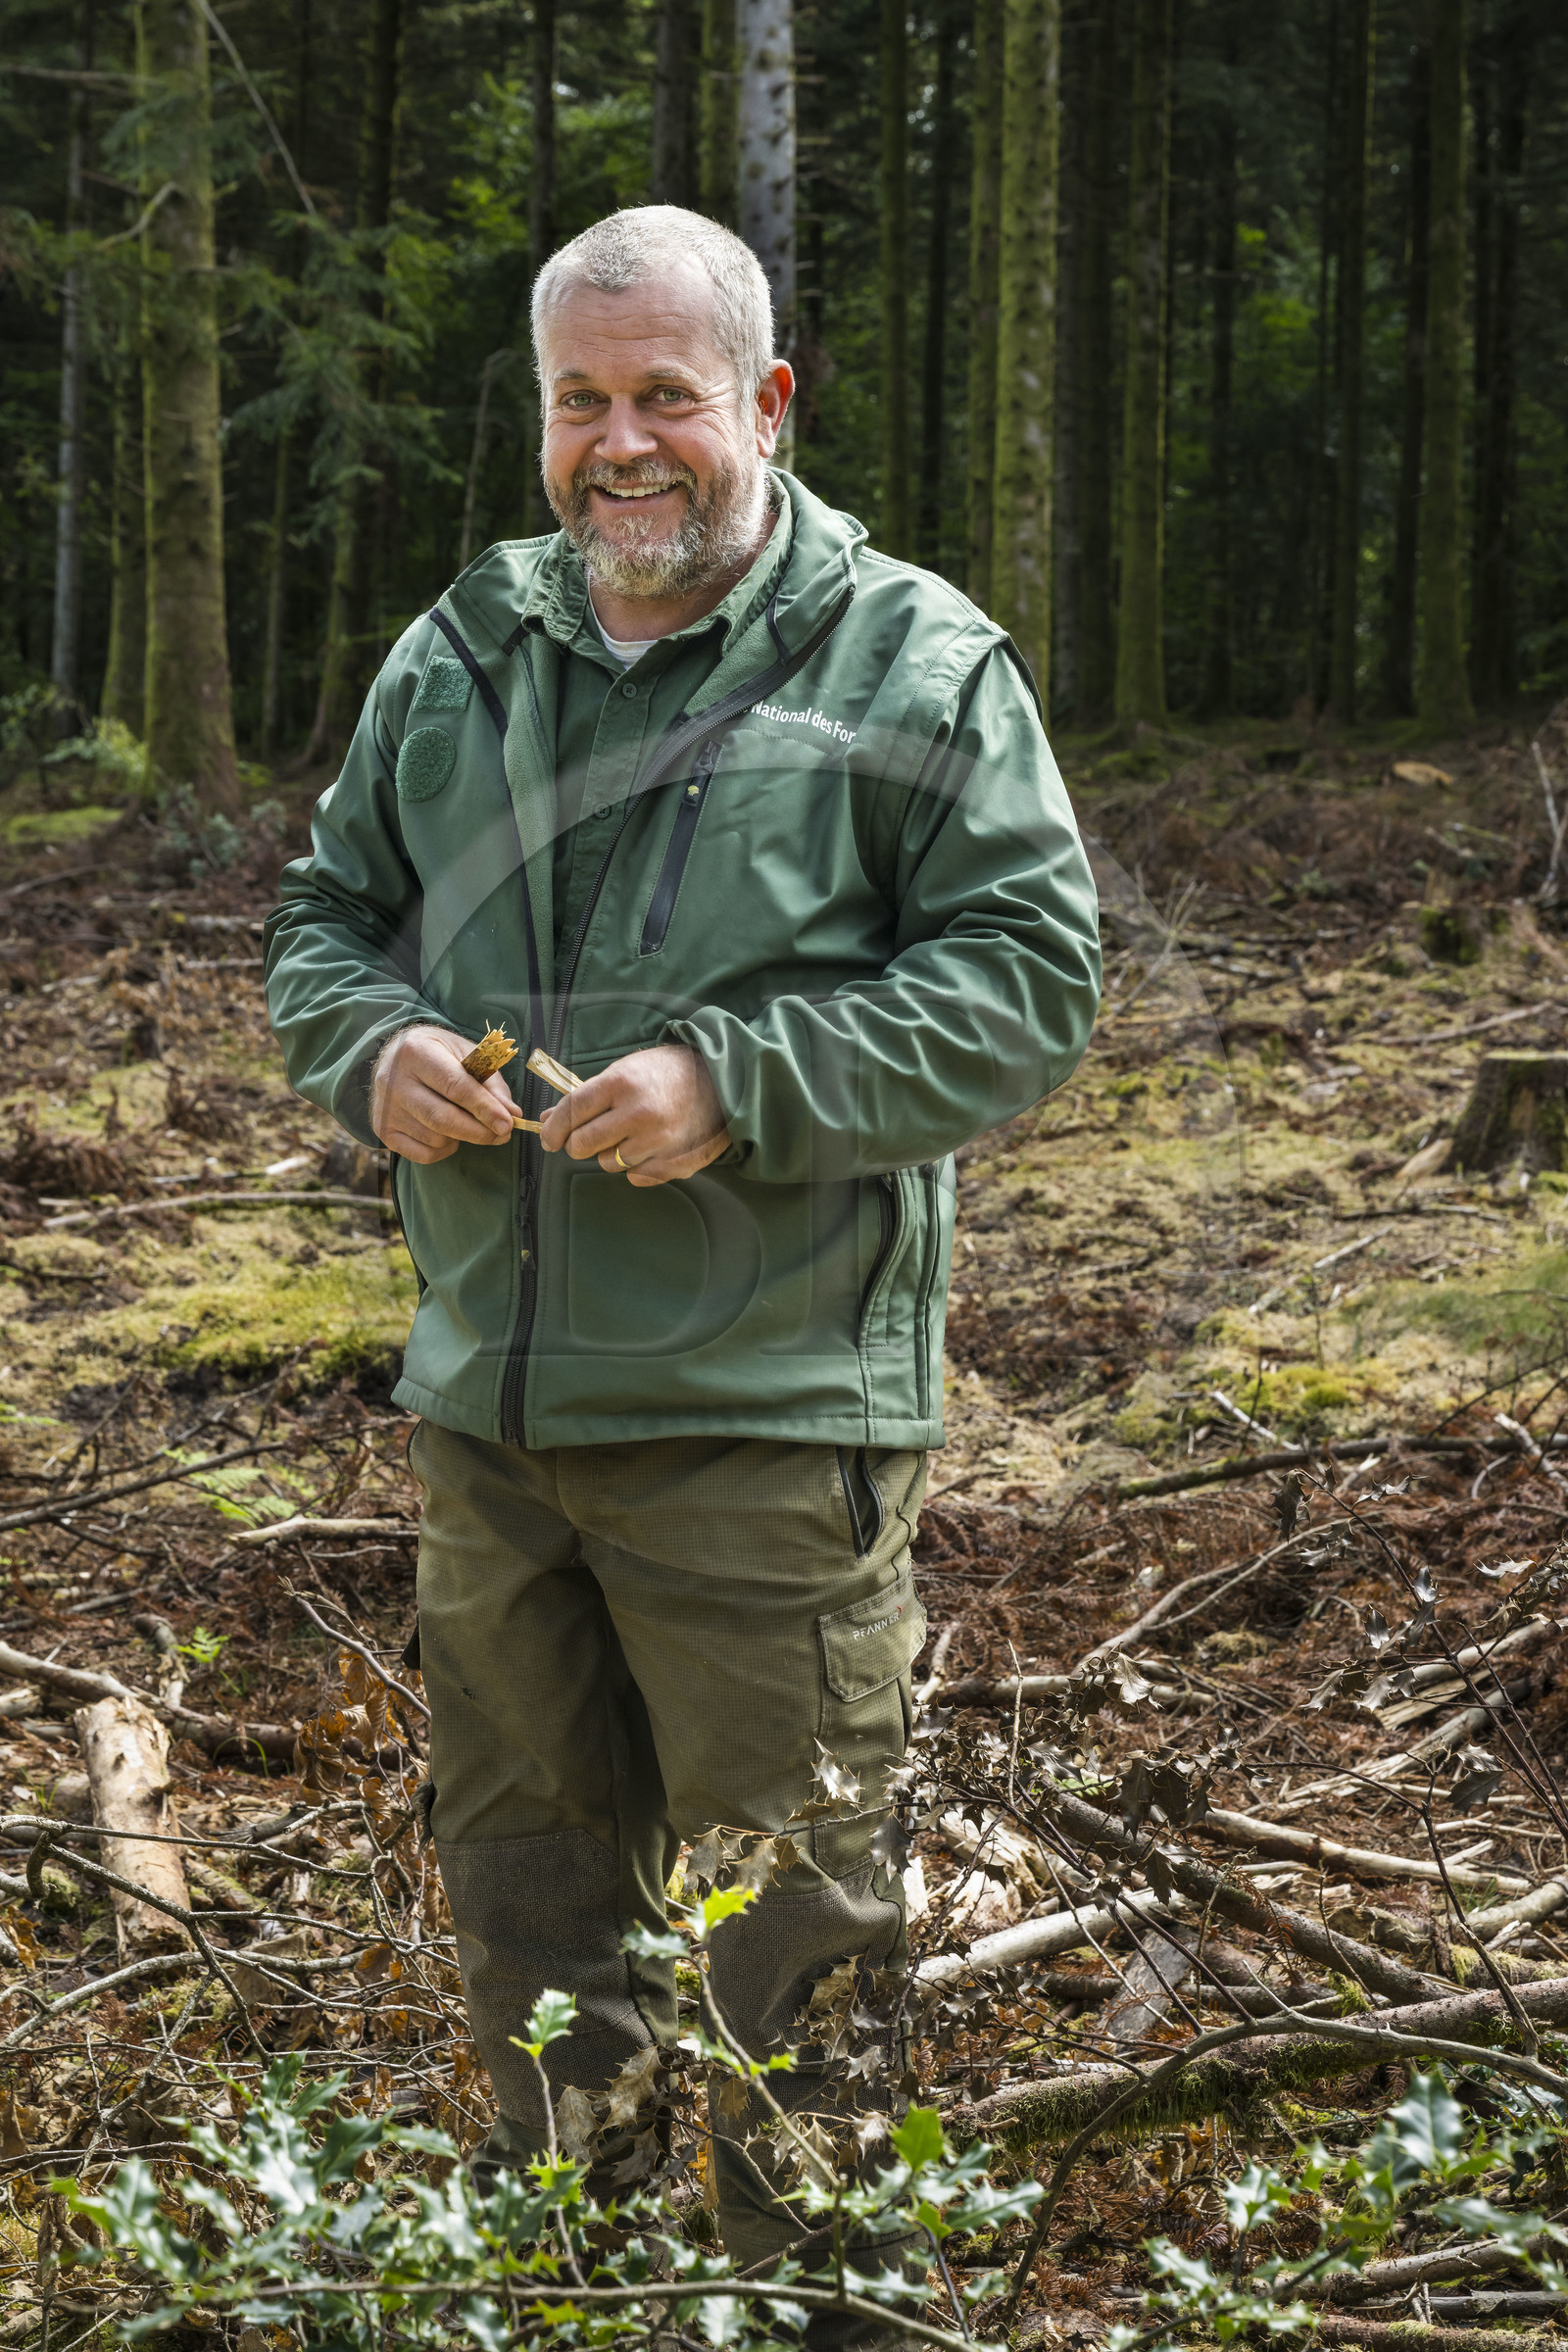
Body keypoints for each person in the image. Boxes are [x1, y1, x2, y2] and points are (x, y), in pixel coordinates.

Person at [265, 203, 1100, 2292]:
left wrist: (742, 1078)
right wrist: (365, 1046)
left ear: (765, 404)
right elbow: (320, 917)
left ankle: (813, 2314)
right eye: (577, 401)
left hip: (764, 1427)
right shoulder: (461, 649)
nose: (619, 442)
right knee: (530, 1902)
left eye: (665, 397)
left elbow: (1029, 978)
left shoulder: (908, 660)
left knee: (795, 1940)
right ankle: (574, 2284)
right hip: (491, 1409)